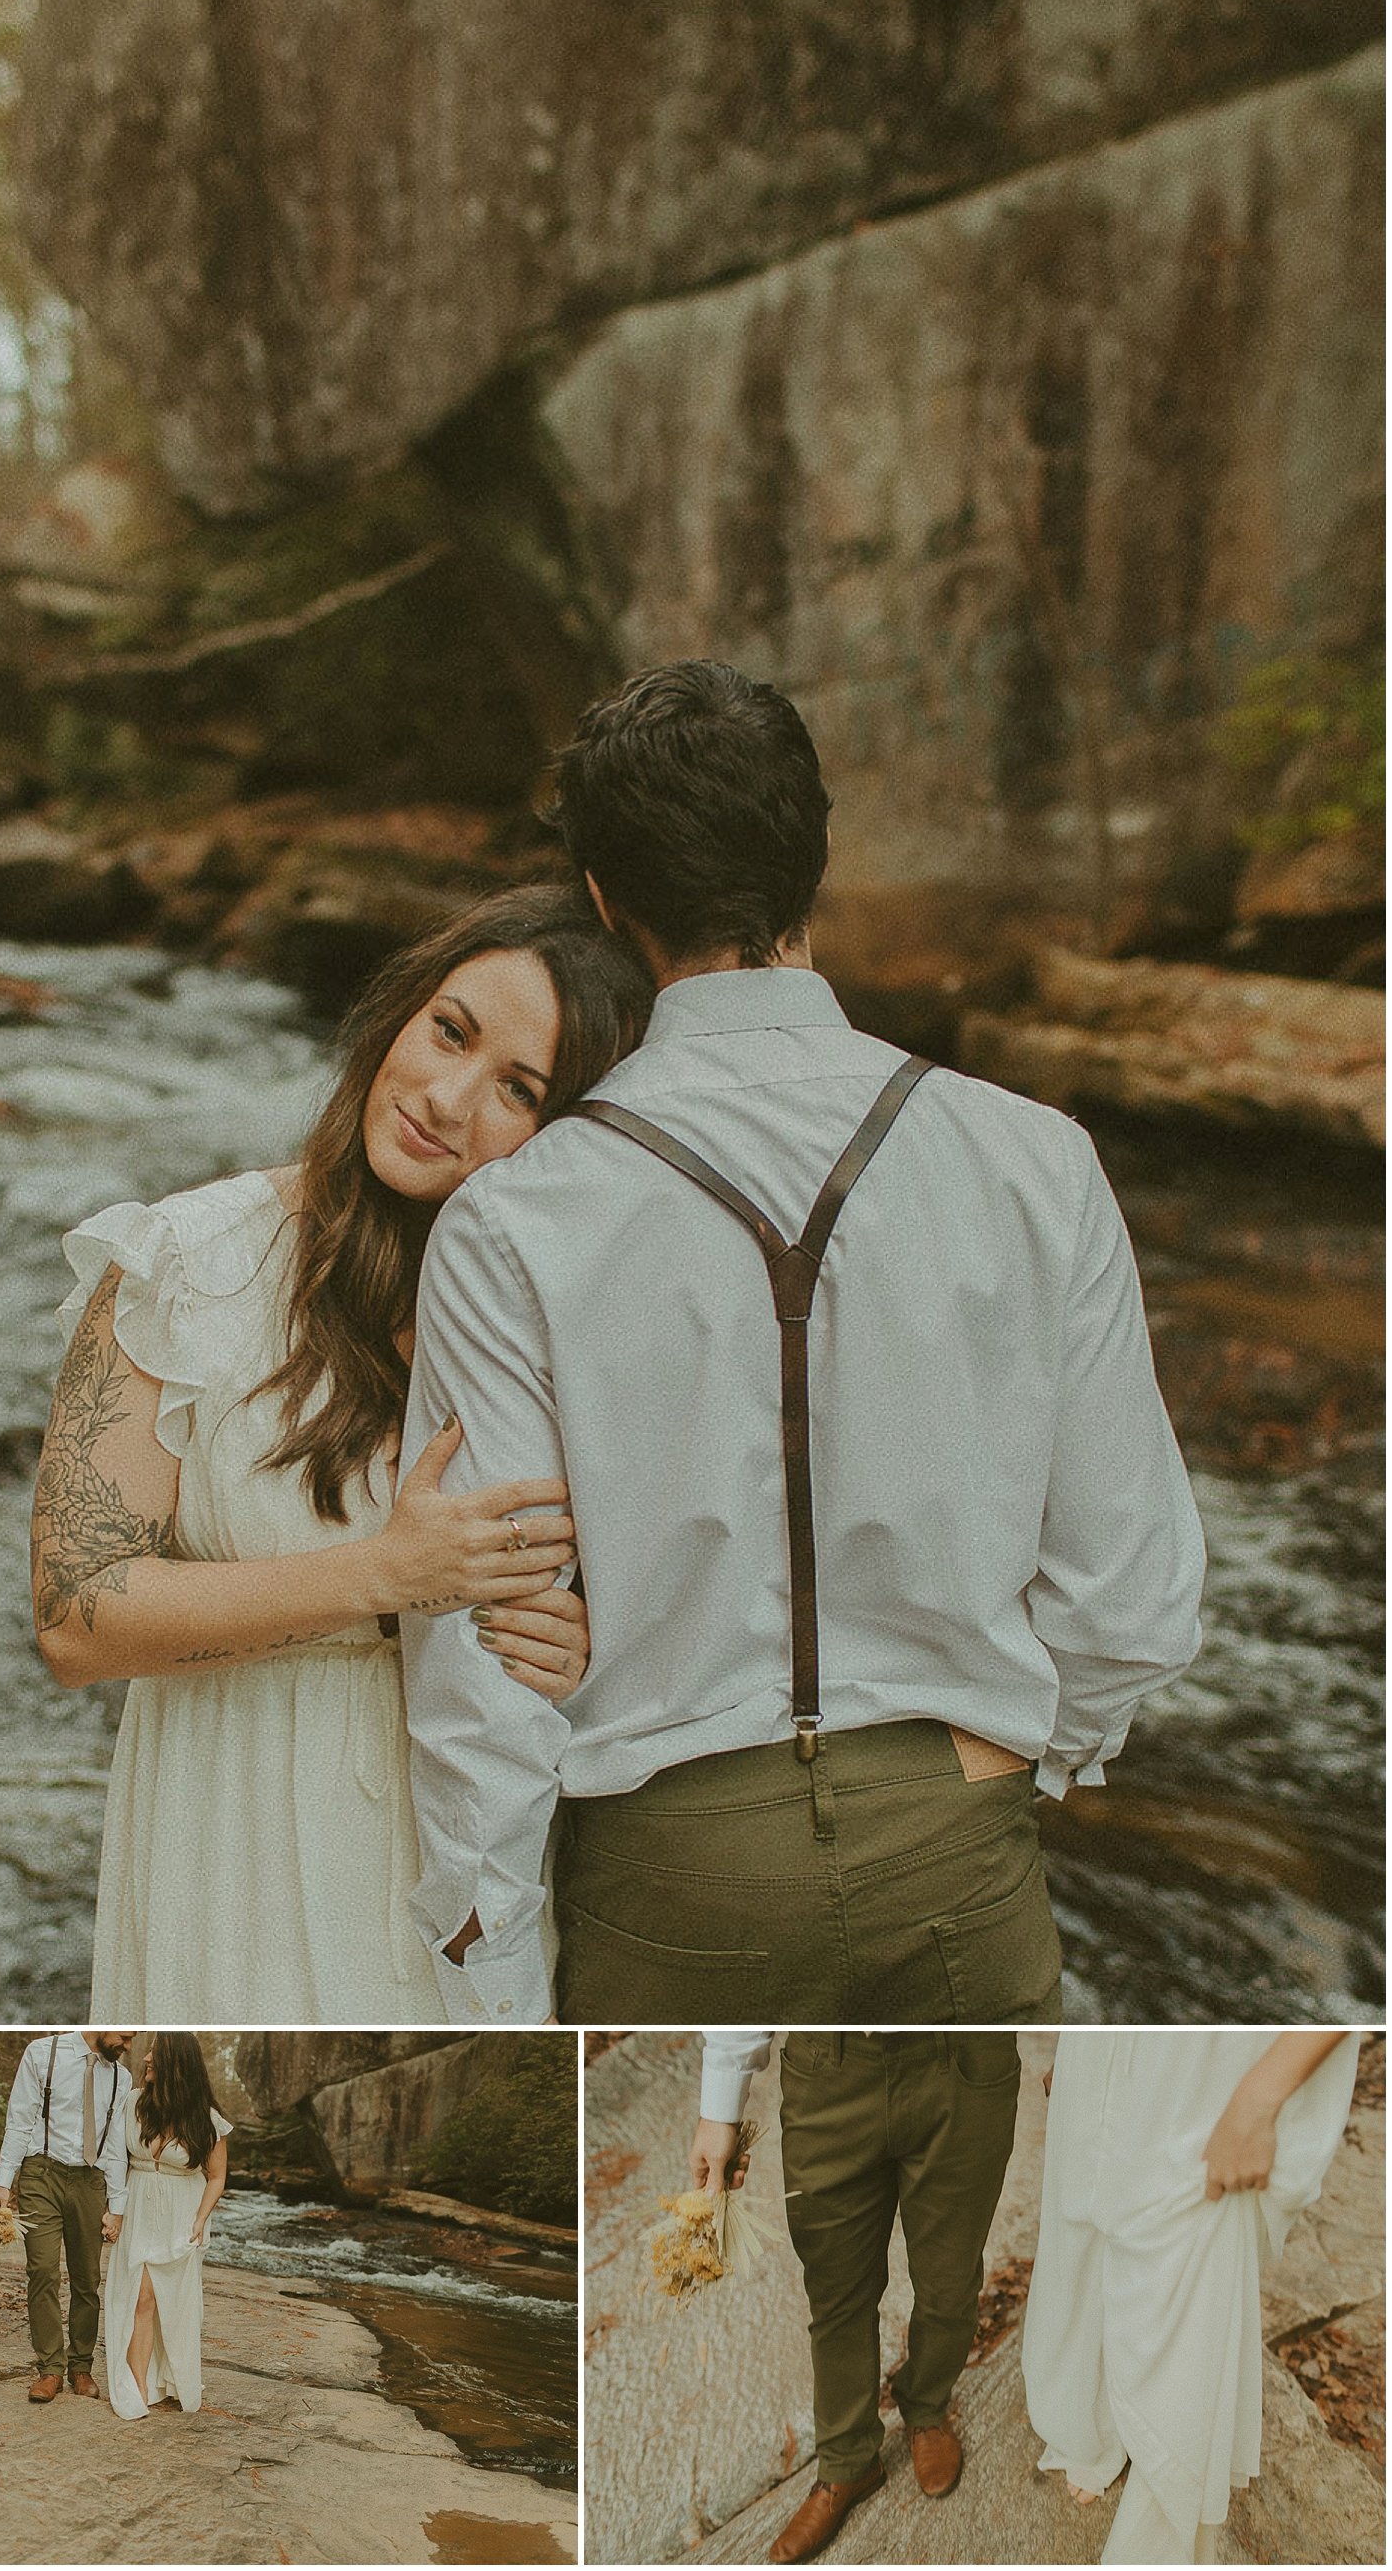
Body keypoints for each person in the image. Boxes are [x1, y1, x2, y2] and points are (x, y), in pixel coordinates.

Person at [400, 660, 1207, 2024]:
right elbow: (1129, 1584)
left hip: (668, 1861)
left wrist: (490, 1948)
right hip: (958, 1844)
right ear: (810, 871)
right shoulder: (1037, 1161)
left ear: (605, 899)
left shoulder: (509, 1219)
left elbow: (494, 1633)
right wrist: (1022, 1756)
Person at [31, 883, 651, 2019]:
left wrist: (582, 1651)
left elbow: (649, 1603)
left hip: (480, 1844)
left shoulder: (576, 1323)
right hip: (232, 1821)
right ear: (399, 1013)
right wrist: (383, 1584)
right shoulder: (178, 1263)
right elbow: (77, 1618)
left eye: (521, 1090)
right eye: (448, 1032)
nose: (447, 1098)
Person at [1022, 2029, 1360, 2565]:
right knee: (1086, 2207)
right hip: (1114, 2028)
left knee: (1183, 2247)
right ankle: (1099, 2416)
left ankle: (1164, 2503)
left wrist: (1258, 2101)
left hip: (1210, 2051)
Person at [691, 2029, 1025, 2561]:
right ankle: (847, 2460)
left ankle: (928, 2409)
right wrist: (720, 2104)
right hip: (831, 2072)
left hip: (964, 2064)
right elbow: (755, 1950)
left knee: (949, 2281)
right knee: (836, 2290)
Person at [0, 2028, 135, 2402]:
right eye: (125, 2035)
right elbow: (19, 2119)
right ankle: (50, 2369)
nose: (129, 2045)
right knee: (42, 2270)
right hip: (42, 2173)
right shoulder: (42, 2053)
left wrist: (116, 2207)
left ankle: (81, 2366)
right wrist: (3, 2182)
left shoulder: (121, 2076)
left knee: (87, 2278)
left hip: (91, 2181)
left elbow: (117, 2143)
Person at [102, 2032, 232, 2420]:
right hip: (139, 2206)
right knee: (140, 2297)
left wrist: (200, 2219)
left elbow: (217, 2175)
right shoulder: (134, 2104)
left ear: (177, 2064)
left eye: (155, 2055)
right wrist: (114, 2208)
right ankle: (137, 2385)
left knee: (172, 2304)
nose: (146, 2060)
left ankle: (171, 2378)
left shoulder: (207, 2119)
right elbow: (115, 2160)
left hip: (181, 2215)